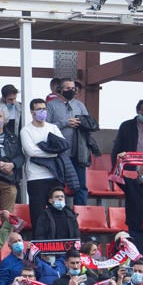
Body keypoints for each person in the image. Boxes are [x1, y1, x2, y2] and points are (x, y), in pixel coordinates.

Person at [45, 78, 98, 207]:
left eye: (73, 88)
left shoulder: (80, 105)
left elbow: (89, 123)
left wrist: (82, 122)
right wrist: (65, 123)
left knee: (80, 185)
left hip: (78, 153)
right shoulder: (51, 105)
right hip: (59, 153)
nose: (71, 91)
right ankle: (58, 212)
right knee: (58, 185)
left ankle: (80, 215)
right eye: (68, 88)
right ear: (60, 89)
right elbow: (46, 126)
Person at [19, 98, 64, 212]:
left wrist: (47, 151)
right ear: (32, 112)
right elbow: (31, 152)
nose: (42, 111)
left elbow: (62, 146)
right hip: (35, 177)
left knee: (57, 212)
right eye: (39, 109)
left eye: (44, 109)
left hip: (54, 175)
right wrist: (53, 152)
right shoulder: (26, 130)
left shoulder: (53, 128)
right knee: (37, 213)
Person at [111, 100, 143, 169]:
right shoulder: (126, 126)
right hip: (129, 167)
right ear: (137, 110)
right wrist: (115, 168)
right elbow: (117, 148)